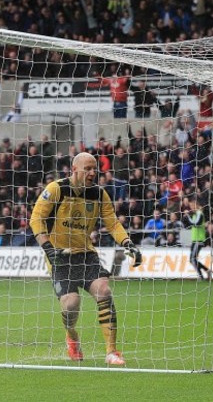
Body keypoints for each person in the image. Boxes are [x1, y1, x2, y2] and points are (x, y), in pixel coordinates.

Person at [30, 152, 142, 365]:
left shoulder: (99, 194)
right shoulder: (56, 189)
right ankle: (71, 335)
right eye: (87, 169)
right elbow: (36, 219)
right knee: (71, 304)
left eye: (95, 169)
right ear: (74, 169)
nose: (92, 173)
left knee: (104, 290)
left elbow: (113, 224)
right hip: (60, 256)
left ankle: (111, 352)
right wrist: (48, 248)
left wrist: (128, 243)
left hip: (86, 254)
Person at [184, 199, 212, 280]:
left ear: (196, 205)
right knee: (192, 259)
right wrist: (186, 217)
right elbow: (187, 225)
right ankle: (207, 271)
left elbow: (196, 224)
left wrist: (188, 216)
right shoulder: (194, 215)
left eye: (192, 206)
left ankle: (200, 276)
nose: (191, 208)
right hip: (194, 240)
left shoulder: (200, 214)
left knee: (192, 259)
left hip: (199, 240)